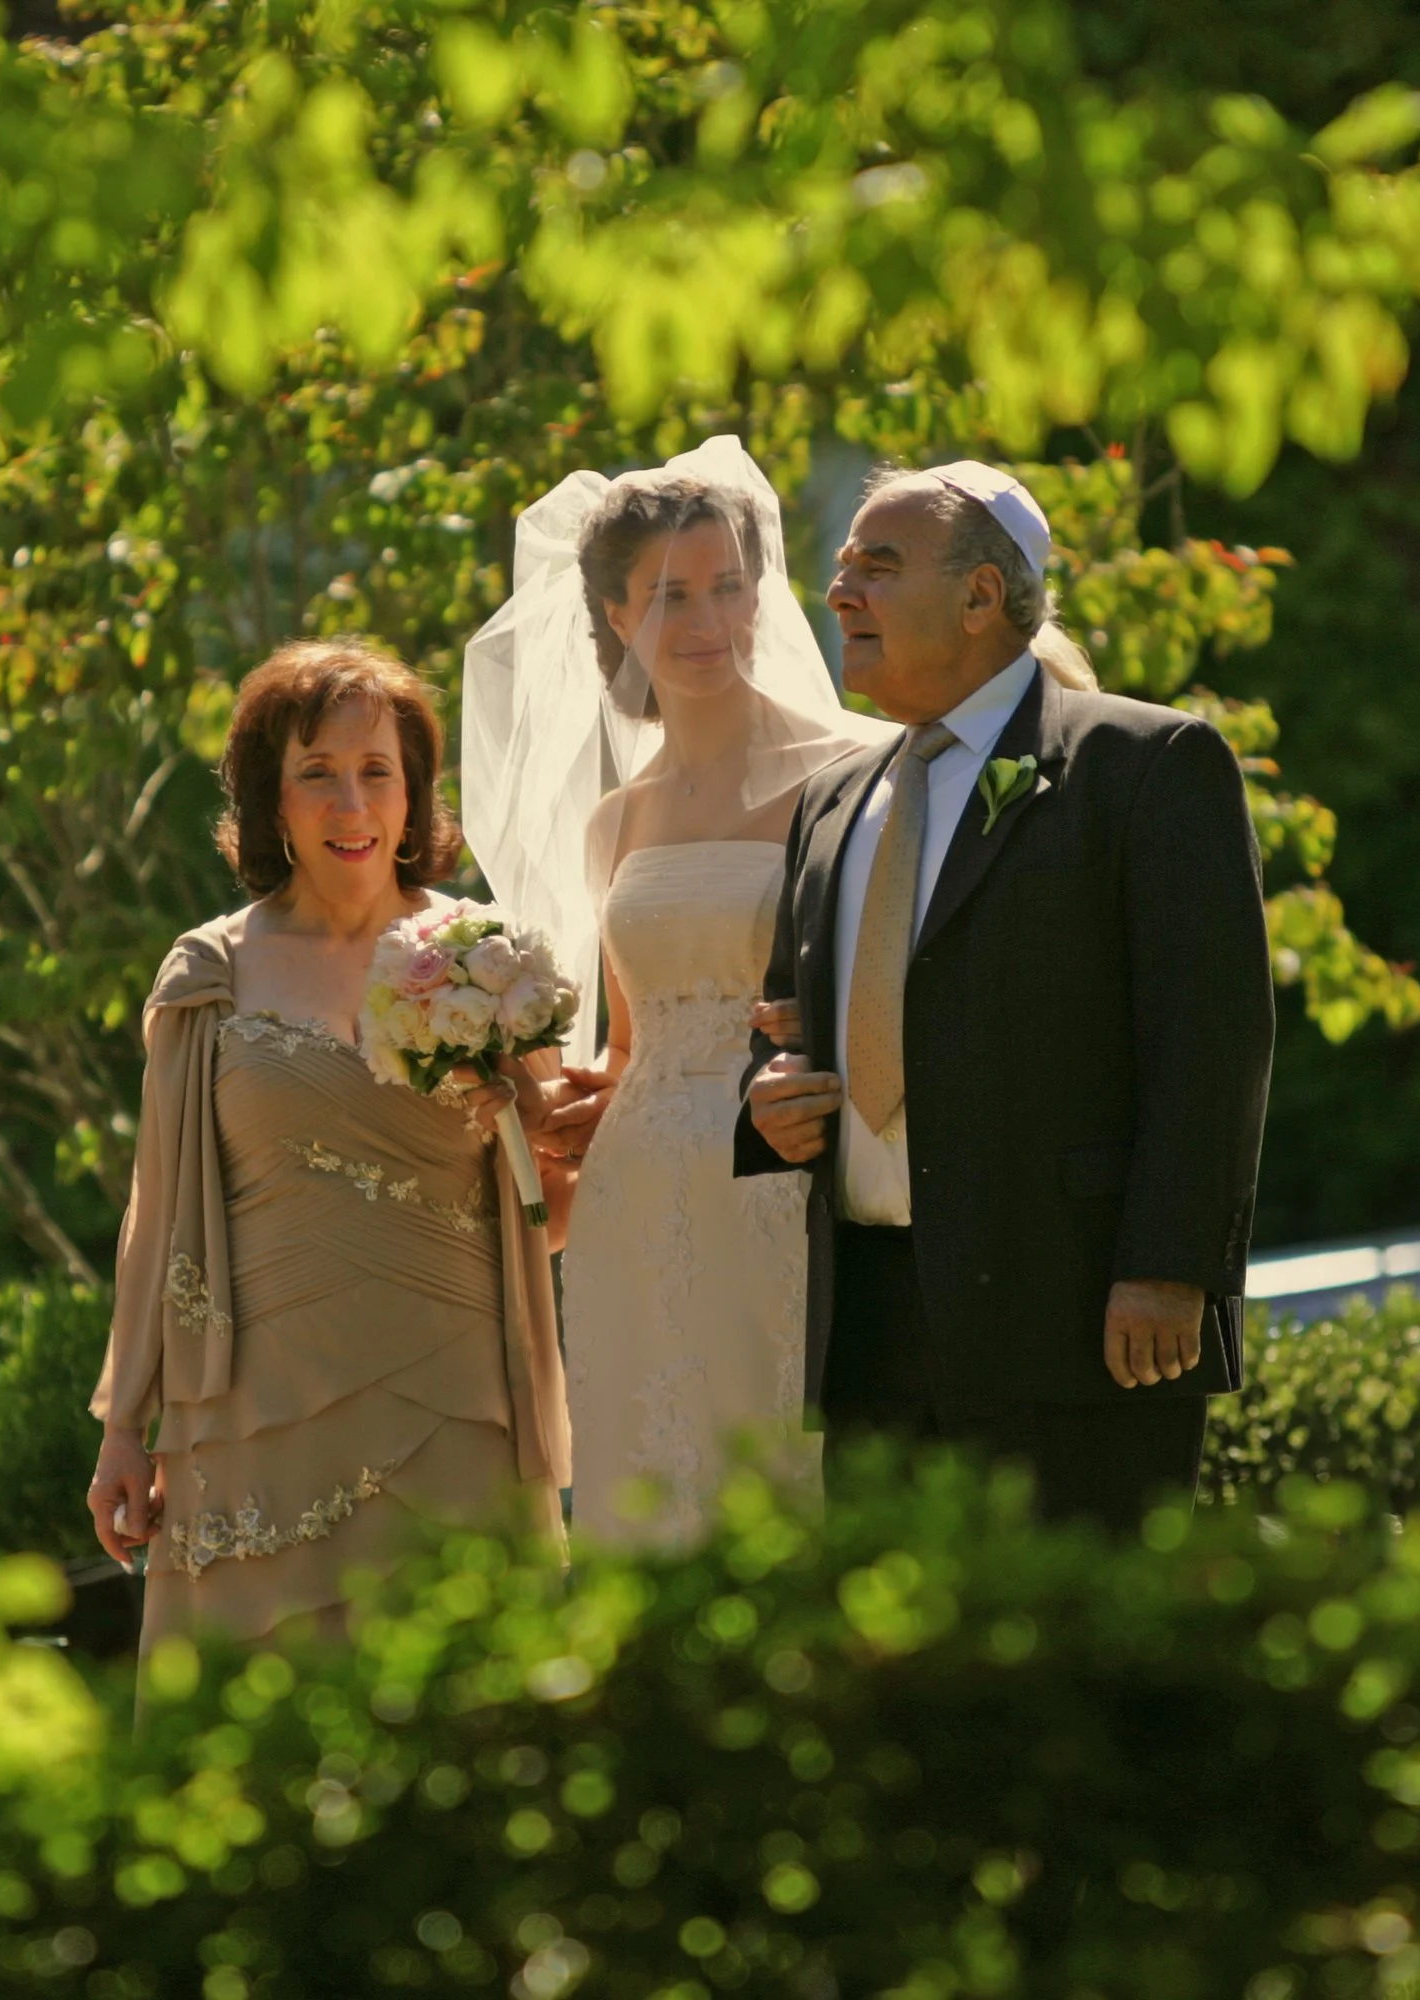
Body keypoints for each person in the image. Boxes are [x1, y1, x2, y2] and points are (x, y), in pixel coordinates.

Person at [734, 462, 1274, 1530]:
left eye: (876, 568)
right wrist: (767, 1099)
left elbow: (1211, 1040)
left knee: (1081, 1666)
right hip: (874, 1330)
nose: (839, 594)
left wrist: (1167, 1269)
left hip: (1079, 1321)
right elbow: (788, 1020)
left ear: (983, 596)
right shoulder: (833, 800)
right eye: (841, 568)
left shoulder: (1146, 762)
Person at [87, 638, 568, 1654]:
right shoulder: (209, 974)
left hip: (458, 1398)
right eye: (317, 775)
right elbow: (156, 1211)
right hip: (252, 1408)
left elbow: (549, 1206)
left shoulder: (487, 961)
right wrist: (124, 1422)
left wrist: (591, 1129)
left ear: (413, 794)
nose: (350, 805)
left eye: (375, 772)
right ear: (272, 799)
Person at [461, 437, 892, 1546]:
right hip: (635, 1195)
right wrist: (546, 1104)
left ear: (762, 590)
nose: (706, 622)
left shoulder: (857, 770)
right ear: (611, 612)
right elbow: (623, 1042)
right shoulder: (615, 820)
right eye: (668, 596)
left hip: (790, 1178)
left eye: (727, 587)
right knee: (648, 1485)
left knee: (783, 1486)